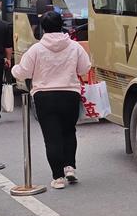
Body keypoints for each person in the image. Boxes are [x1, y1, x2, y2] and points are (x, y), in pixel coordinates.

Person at [12, 11, 90, 190]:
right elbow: (84, 68)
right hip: (69, 94)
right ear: (61, 24)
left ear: (43, 28)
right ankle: (70, 167)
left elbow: (23, 72)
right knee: (69, 131)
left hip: (44, 96)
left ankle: (58, 177)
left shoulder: (36, 49)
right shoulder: (74, 46)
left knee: (51, 137)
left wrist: (14, 69)